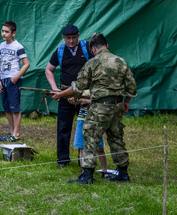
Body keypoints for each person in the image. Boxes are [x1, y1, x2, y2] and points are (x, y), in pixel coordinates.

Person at [51, 33, 137, 184]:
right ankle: (123, 173)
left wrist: (61, 95)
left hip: (99, 107)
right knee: (116, 139)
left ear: (93, 49)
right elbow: (131, 86)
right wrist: (126, 101)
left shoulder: (92, 63)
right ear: (107, 46)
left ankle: (87, 175)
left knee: (90, 138)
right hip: (117, 106)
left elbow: (78, 87)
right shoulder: (121, 61)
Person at [45, 24, 93, 169]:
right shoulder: (59, 51)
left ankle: (84, 160)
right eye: (68, 38)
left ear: (78, 35)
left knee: (86, 127)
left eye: (73, 38)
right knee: (63, 127)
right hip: (65, 95)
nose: (71, 41)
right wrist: (55, 89)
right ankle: (63, 160)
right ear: (63, 38)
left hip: (84, 95)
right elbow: (48, 70)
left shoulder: (87, 47)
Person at [0, 21, 30, 142]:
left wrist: (16, 77)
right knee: (6, 107)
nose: (4, 34)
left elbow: (26, 64)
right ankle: (11, 132)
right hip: (3, 79)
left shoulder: (18, 46)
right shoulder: (1, 46)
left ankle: (16, 134)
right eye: (2, 31)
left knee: (14, 107)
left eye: (7, 31)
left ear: (13, 33)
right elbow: (0, 63)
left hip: (13, 80)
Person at [70, 91, 110, 179]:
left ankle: (105, 171)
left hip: (95, 120)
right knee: (81, 147)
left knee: (100, 148)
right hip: (82, 120)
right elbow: (74, 99)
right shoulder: (82, 89)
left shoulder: (98, 88)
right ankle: (84, 171)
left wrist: (87, 100)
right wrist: (73, 99)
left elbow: (102, 101)